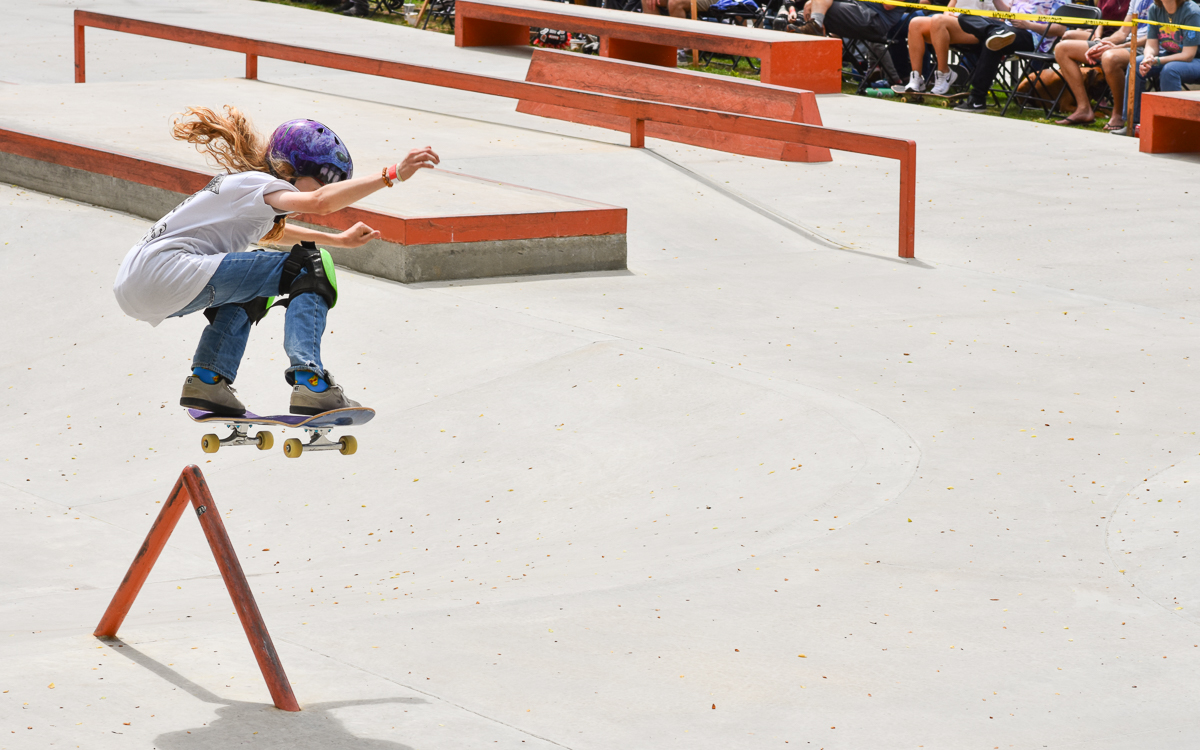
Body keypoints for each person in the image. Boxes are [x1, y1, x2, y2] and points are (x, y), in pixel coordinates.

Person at [113, 106, 440, 417]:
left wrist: (339, 240)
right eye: (327, 179)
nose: (331, 190)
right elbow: (319, 203)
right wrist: (392, 174)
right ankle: (311, 382)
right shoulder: (257, 183)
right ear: (293, 168)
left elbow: (275, 234)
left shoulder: (246, 191)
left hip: (140, 285)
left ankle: (208, 381)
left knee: (258, 277)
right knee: (309, 265)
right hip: (164, 270)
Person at [950, 0, 1068, 112]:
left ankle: (977, 99)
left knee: (994, 43)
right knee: (965, 17)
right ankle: (995, 32)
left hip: (1033, 37)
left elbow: (1060, 30)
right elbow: (1008, 12)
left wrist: (1028, 25)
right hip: (1006, 28)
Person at [1053, 0, 1153, 126]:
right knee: (1062, 49)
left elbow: (1157, 36)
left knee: (1110, 58)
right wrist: (1102, 43)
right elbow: (1122, 33)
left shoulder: (1160, 3)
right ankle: (1084, 108)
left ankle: (1118, 115)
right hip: (1124, 43)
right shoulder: (1136, 1)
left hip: (1146, 48)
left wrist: (1119, 46)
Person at [1123, 0, 1200, 133]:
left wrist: (1158, 61)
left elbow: (1188, 55)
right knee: (1136, 63)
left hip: (1195, 59)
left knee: (1170, 70)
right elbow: (1151, 45)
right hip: (1170, 55)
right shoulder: (1154, 9)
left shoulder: (1191, 11)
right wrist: (1148, 58)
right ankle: (1133, 125)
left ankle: (1174, 128)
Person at [904, 0, 997, 95]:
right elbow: (948, 9)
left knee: (938, 20)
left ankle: (944, 72)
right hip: (954, 23)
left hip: (980, 28)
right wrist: (949, 15)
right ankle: (916, 77)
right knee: (915, 23)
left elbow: (1002, 18)